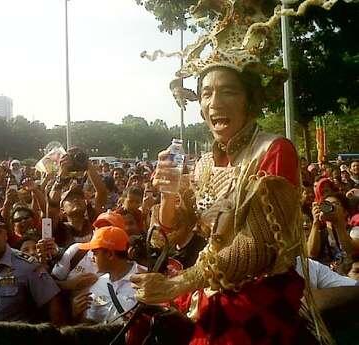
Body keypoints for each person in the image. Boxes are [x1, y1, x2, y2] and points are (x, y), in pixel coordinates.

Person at [130, 2, 336, 344]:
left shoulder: (274, 150)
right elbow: (175, 232)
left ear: (249, 100)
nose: (215, 102)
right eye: (207, 93)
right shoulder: (203, 164)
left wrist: (180, 282)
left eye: (228, 91)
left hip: (259, 297)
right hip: (208, 293)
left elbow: (257, 246)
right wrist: (167, 194)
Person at [72, 226, 145, 324]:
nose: (91, 258)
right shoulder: (97, 284)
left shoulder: (146, 280)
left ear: (110, 254)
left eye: (95, 253)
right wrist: (76, 314)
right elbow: (89, 325)